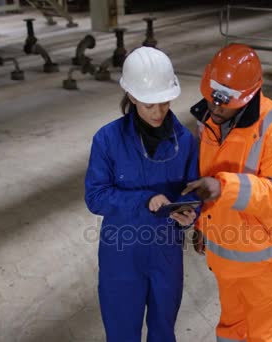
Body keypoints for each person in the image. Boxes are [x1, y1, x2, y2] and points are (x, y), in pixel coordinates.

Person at [182, 44, 272, 342]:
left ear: (249, 95)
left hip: (263, 262)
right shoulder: (211, 123)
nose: (214, 108)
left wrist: (224, 187)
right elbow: (205, 179)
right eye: (211, 100)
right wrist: (203, 227)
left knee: (264, 335)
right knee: (230, 330)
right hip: (225, 255)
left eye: (223, 104)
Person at [85, 47, 199, 342]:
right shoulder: (107, 140)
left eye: (164, 102)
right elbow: (95, 196)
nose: (158, 112)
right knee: (122, 332)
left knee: (163, 330)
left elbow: (194, 192)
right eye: (149, 104)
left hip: (166, 251)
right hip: (122, 252)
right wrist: (143, 200)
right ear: (132, 96)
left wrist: (190, 216)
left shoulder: (185, 141)